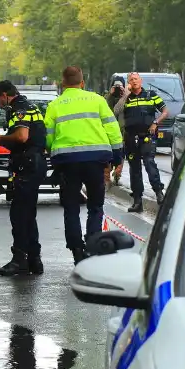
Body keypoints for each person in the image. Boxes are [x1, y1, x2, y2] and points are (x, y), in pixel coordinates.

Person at [43, 66, 123, 263]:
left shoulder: (55, 105)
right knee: (96, 206)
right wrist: (117, 156)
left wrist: (56, 155)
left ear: (63, 84)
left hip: (68, 163)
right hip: (96, 160)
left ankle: (76, 250)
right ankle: (93, 245)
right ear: (82, 82)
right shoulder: (97, 100)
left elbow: (48, 137)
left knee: (71, 207)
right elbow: (112, 128)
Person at [0, 80, 47, 276]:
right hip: (34, 164)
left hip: (27, 165)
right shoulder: (31, 106)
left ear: (4, 95)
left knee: (19, 214)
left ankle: (19, 260)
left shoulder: (19, 108)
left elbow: (21, 136)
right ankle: (34, 260)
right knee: (28, 214)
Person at [119, 72, 168, 212]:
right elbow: (116, 110)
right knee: (134, 169)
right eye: (131, 80)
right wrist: (125, 95)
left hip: (146, 136)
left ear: (140, 81)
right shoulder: (126, 99)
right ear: (128, 83)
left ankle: (159, 193)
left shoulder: (151, 95)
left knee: (149, 163)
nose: (134, 82)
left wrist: (155, 123)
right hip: (130, 137)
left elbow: (165, 111)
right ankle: (137, 201)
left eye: (136, 79)